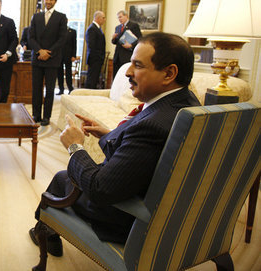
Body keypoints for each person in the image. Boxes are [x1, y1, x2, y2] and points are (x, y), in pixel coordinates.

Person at [29, 32, 199, 256]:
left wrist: (75, 146)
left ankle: (45, 232)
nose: (127, 72)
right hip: (176, 212)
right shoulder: (187, 103)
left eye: (137, 65)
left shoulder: (153, 126)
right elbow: (145, 154)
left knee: (63, 177)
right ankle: (45, 229)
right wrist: (109, 134)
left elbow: (100, 189)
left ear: (169, 73)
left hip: (133, 218)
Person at [28, 0, 67, 126]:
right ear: (43, 0)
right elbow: (30, 37)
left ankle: (46, 117)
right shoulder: (36, 16)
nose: (48, 1)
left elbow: (62, 39)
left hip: (52, 59)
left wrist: (47, 52)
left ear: (55, 1)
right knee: (36, 89)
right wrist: (40, 51)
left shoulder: (61, 17)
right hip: (37, 59)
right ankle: (36, 114)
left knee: (50, 90)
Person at [111, 10, 142, 78]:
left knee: (125, 77)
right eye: (118, 18)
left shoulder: (133, 25)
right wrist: (113, 38)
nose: (119, 19)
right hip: (117, 56)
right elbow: (115, 42)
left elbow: (140, 39)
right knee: (116, 76)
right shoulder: (118, 27)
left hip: (127, 55)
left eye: (121, 17)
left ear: (126, 16)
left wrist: (131, 45)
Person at [84, 11, 106, 89]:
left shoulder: (97, 28)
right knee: (91, 80)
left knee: (94, 79)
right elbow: (91, 46)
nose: (104, 19)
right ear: (98, 18)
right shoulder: (92, 29)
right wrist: (99, 56)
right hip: (94, 59)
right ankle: (87, 96)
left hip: (97, 59)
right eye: (103, 18)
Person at [56, 25, 77, 95]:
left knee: (68, 73)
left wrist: (74, 55)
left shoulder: (73, 31)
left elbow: (74, 44)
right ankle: (61, 89)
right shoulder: (57, 31)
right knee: (59, 73)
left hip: (69, 56)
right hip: (59, 55)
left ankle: (70, 88)